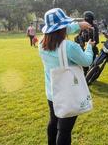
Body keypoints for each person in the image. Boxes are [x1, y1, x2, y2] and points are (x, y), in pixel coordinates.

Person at [39, 8, 94, 145]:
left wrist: (78, 26)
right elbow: (87, 61)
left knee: (53, 122)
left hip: (52, 92)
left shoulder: (41, 43)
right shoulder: (69, 47)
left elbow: (58, 31)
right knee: (64, 130)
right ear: (63, 27)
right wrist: (89, 47)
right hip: (68, 94)